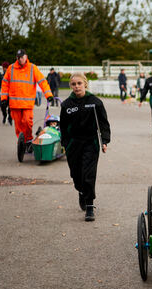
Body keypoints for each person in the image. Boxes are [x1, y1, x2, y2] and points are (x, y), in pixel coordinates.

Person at [60, 73, 111, 222]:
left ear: (85, 84)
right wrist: (65, 143)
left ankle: (90, 206)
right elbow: (63, 127)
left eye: (79, 83)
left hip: (91, 143)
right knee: (76, 176)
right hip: (73, 144)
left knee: (88, 174)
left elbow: (103, 124)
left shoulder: (95, 102)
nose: (77, 86)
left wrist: (105, 141)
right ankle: (81, 191)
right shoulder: (66, 105)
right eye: (74, 84)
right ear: (71, 86)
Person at [1, 49, 53, 149]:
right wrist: (4, 98)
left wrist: (48, 95)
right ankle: (21, 143)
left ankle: (28, 140)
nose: (20, 59)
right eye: (18, 57)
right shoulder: (11, 68)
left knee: (27, 122)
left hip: (27, 104)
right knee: (18, 126)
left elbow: (42, 82)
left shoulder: (33, 68)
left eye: (22, 57)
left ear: (26, 57)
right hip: (14, 104)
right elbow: (5, 84)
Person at [0, 62, 12, 126]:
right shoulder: (1, 75)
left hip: (11, 93)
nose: (4, 69)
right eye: (3, 68)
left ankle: (10, 117)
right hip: (4, 93)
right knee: (3, 106)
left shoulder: (11, 75)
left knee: (10, 107)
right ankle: (4, 116)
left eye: (5, 68)